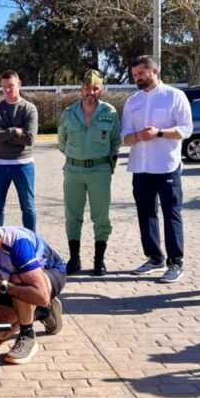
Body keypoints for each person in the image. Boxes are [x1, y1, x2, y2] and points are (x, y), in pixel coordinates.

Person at [121, 55, 193, 284]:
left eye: (141, 74)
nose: (137, 79)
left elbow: (186, 129)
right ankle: (154, 258)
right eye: (134, 75)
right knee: (146, 213)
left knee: (171, 214)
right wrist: (137, 136)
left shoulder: (174, 96)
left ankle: (175, 263)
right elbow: (124, 136)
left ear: (155, 71)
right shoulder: (132, 101)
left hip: (166, 166)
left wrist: (159, 133)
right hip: (140, 167)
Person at [0, 216, 65, 364]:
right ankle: (42, 312)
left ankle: (27, 335)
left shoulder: (18, 243)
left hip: (47, 277)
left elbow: (42, 295)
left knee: (18, 279)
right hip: (10, 283)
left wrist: (0, 285)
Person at [58, 71, 122, 276]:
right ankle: (74, 259)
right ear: (81, 89)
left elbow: (115, 141)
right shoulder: (69, 113)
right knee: (72, 215)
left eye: (95, 88)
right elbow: (62, 142)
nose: (90, 92)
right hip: (73, 170)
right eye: (86, 88)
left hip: (100, 170)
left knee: (101, 217)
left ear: (101, 89)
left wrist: (107, 165)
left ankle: (98, 261)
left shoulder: (110, 113)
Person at [0, 71, 39, 232]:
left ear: (19, 84)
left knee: (28, 207)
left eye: (11, 86)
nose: (7, 90)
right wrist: (14, 131)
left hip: (23, 163)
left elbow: (29, 139)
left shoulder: (29, 109)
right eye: (4, 87)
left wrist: (2, 133)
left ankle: (32, 240)